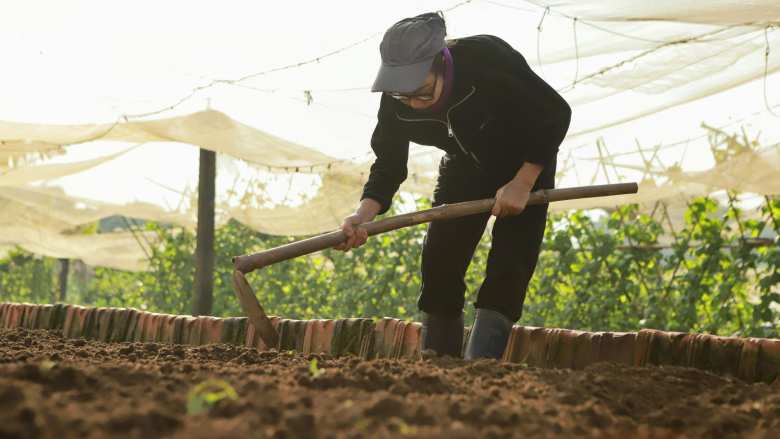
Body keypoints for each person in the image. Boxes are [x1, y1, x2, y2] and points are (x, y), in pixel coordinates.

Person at [335, 12, 571, 359]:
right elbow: (388, 163)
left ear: (442, 63)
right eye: (405, 97)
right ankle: (439, 364)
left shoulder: (487, 60)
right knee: (439, 260)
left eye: (423, 93)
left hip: (525, 160)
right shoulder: (396, 99)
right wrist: (363, 214)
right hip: (464, 166)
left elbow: (554, 112)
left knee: (510, 263)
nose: (414, 103)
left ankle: (480, 366)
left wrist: (523, 182)